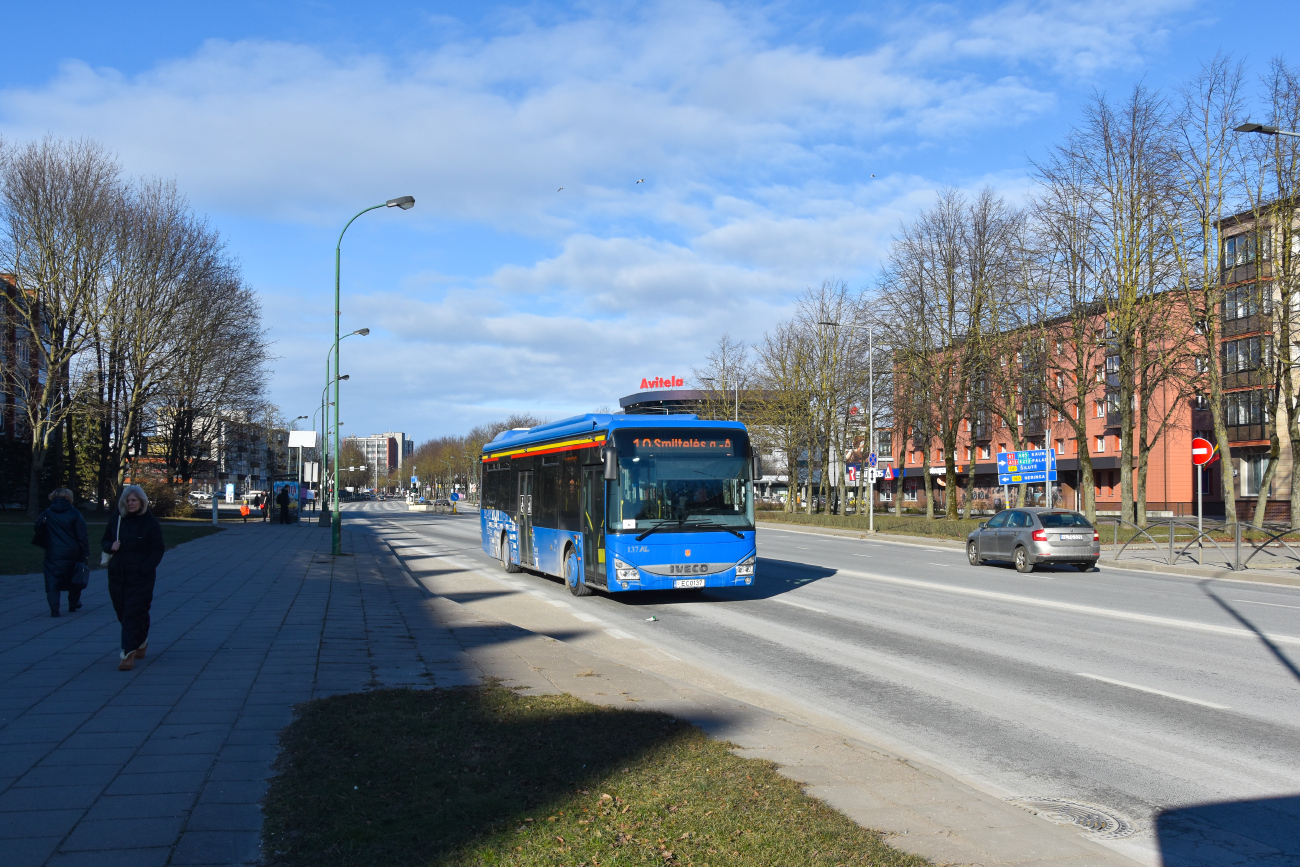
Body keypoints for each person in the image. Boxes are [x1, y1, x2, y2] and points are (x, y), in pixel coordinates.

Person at [102, 485, 165, 671]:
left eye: (134, 500)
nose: (130, 504)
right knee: (122, 611)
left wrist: (144, 568)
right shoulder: (117, 520)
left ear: (142, 502)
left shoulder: (150, 523)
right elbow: (105, 540)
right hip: (118, 574)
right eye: (128, 500)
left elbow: (158, 549)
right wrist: (110, 546)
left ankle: (127, 653)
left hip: (141, 576)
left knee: (133, 611)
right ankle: (141, 641)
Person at [34, 488, 89, 617]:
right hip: (73, 551)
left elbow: (37, 527)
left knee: (52, 580)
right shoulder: (75, 513)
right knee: (75, 578)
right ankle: (73, 603)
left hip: (53, 551)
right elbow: (82, 535)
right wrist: (85, 552)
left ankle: (54, 609)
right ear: (69, 498)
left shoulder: (47, 513)